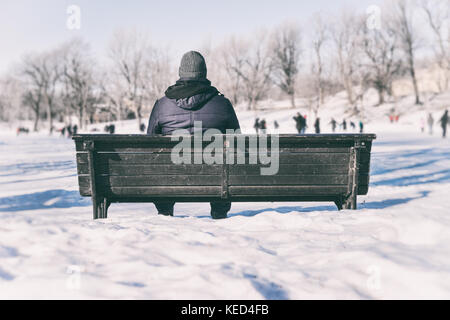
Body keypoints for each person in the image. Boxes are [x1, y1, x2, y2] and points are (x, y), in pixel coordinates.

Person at [147, 51, 240, 219]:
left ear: (181, 72)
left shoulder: (162, 105)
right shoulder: (222, 104)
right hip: (215, 179)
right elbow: (237, 140)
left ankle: (165, 211)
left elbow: (150, 142)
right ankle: (219, 211)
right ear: (203, 72)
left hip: (171, 178)